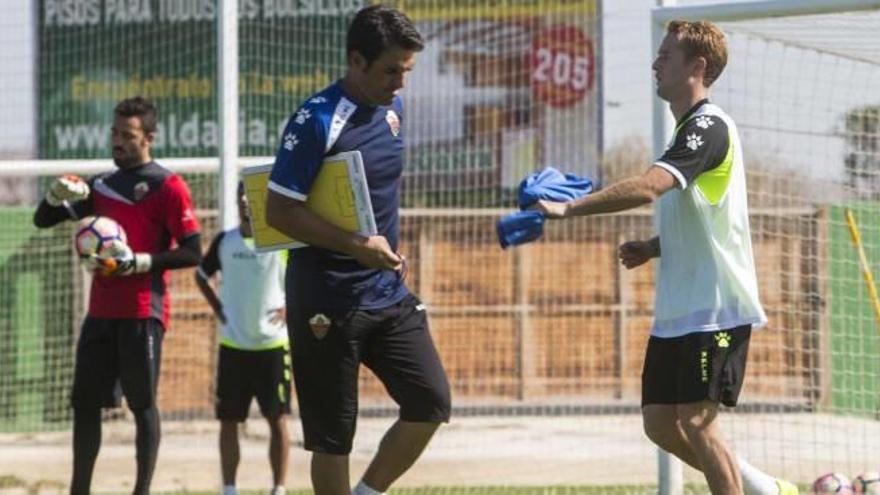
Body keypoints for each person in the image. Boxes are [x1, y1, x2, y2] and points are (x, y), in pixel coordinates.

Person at [534, 21, 797, 495]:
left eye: (665, 56)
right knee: (659, 424)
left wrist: (569, 207)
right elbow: (701, 217)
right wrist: (653, 247)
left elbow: (649, 187)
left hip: (716, 308)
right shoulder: (684, 133)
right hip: (679, 311)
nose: (655, 64)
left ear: (696, 67)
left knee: (697, 421)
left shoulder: (709, 127)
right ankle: (763, 488)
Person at [264, 5, 451, 495]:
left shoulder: (395, 109)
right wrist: (356, 246)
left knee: (431, 400)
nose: (400, 83)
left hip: (386, 291)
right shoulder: (316, 119)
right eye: (391, 70)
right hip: (325, 299)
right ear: (356, 60)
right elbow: (279, 211)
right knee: (332, 440)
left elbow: (377, 192)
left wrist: (385, 249)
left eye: (406, 71)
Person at [33, 96, 202, 495]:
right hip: (100, 314)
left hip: (144, 312)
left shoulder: (169, 186)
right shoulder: (99, 186)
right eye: (114, 133)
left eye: (127, 135)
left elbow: (193, 251)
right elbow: (43, 220)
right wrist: (55, 195)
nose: (118, 142)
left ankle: (140, 491)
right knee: (85, 406)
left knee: (142, 407)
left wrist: (138, 263)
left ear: (149, 138)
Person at [195, 181, 291, 495]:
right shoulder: (226, 241)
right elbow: (200, 274)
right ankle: (229, 488)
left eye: (252, 197)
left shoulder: (280, 243)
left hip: (273, 346)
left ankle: (279, 488)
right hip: (233, 347)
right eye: (242, 197)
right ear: (237, 202)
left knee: (277, 420)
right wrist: (217, 307)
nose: (247, 202)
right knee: (229, 420)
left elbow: (306, 277)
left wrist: (292, 307)